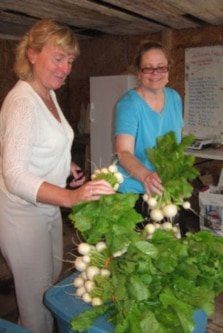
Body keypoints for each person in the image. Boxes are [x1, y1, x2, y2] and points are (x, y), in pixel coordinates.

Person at [0, 19, 114, 333]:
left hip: (45, 209)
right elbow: (14, 175)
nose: (65, 68)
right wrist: (71, 196)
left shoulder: (47, 94)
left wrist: (68, 167)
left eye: (70, 61)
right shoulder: (23, 103)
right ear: (33, 54)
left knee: (49, 289)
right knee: (36, 305)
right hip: (22, 215)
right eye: (58, 58)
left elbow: (49, 145)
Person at [114, 41, 184, 224]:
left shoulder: (175, 98)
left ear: (168, 70)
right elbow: (123, 153)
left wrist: (178, 181)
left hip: (165, 190)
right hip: (134, 192)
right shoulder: (128, 104)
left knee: (174, 244)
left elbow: (177, 147)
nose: (155, 74)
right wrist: (147, 176)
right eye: (148, 68)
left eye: (161, 67)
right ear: (139, 72)